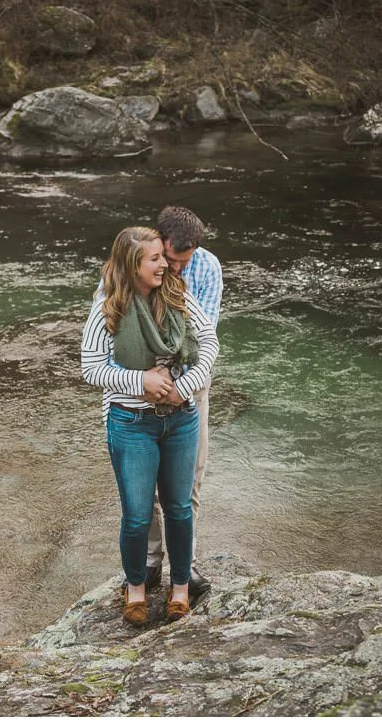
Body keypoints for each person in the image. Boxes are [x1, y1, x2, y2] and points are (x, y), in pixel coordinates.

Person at [81, 226, 218, 626]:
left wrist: (183, 387)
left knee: (178, 508)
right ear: (132, 264)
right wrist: (142, 381)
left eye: (163, 256)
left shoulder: (176, 293)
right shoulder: (108, 306)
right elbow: (91, 367)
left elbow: (208, 342)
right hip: (132, 422)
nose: (165, 264)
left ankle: (179, 589)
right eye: (155, 258)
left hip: (180, 419)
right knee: (137, 515)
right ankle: (136, 588)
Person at [146, 206, 222, 597]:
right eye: (171, 261)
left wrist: (181, 386)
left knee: (190, 478)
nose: (176, 270)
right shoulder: (132, 262)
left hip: (191, 382)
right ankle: (150, 563)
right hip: (142, 386)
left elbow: (199, 336)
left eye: (183, 262)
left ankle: (183, 565)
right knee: (147, 485)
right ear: (158, 242)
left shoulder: (206, 268)